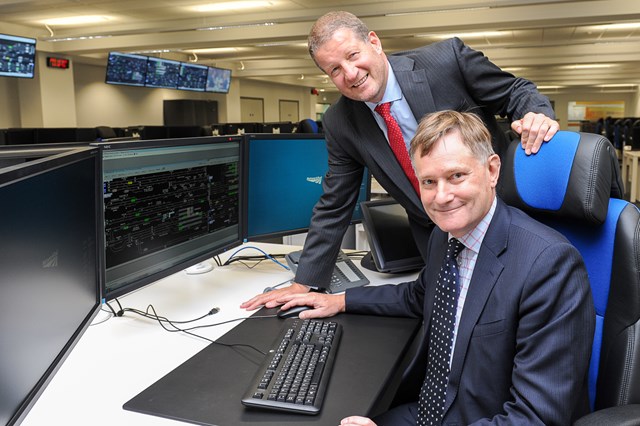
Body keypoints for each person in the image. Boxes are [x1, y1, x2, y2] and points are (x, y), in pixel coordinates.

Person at [274, 110, 594, 425]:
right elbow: (419, 295)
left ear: (492, 170)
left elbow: (535, 418)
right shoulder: (446, 236)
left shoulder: (549, 264)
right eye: (429, 181)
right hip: (429, 410)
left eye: (456, 176)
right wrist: (340, 301)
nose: (442, 196)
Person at [241, 11, 560, 310]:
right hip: (434, 232)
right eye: (334, 70)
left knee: (506, 311)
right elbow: (335, 202)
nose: (350, 74)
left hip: (499, 212)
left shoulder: (446, 61)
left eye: (353, 56)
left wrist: (536, 115)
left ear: (374, 42)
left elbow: (515, 91)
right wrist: (305, 282)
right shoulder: (341, 121)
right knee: (445, 312)